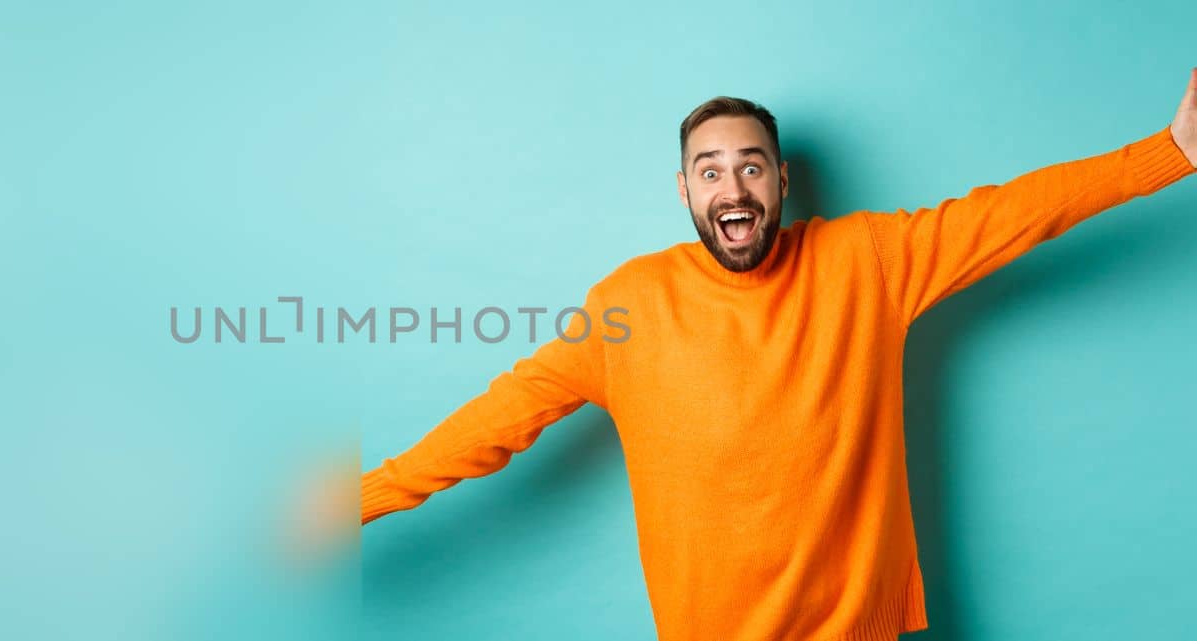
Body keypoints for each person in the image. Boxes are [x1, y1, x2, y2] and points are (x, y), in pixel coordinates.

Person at [356, 69, 1197, 640]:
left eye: (751, 167)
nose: (733, 188)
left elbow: (1017, 212)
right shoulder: (628, 304)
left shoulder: (867, 260)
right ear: (684, 191)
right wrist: (358, 498)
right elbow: (502, 418)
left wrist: (1175, 151)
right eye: (710, 171)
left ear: (782, 182)